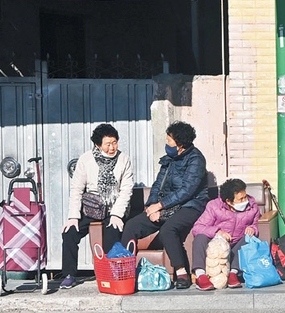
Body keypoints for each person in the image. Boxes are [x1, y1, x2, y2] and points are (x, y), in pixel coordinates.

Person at [122, 121, 209, 290]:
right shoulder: (169, 159)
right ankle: (125, 270)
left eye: (169, 140)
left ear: (181, 144)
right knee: (132, 226)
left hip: (190, 205)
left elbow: (187, 190)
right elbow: (158, 185)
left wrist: (160, 206)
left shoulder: (196, 160)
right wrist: (151, 206)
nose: (167, 143)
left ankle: (181, 272)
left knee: (167, 230)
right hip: (165, 205)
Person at [60, 124, 135, 289]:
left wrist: (116, 214)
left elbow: (126, 190)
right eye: (107, 144)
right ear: (98, 145)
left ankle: (110, 274)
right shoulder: (86, 159)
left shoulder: (124, 159)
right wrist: (73, 216)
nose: (111, 147)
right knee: (69, 233)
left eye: (114, 142)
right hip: (93, 206)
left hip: (114, 206)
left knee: (112, 232)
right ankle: (69, 274)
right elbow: (77, 189)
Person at [189, 178, 261, 290]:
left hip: (236, 246)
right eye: (240, 199)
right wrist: (217, 232)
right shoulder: (214, 206)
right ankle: (200, 275)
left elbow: (255, 224)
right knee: (200, 238)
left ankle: (233, 273)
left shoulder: (252, 207)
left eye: (245, 197)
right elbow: (197, 228)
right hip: (217, 247)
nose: (244, 201)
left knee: (249, 238)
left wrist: (252, 228)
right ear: (228, 201)